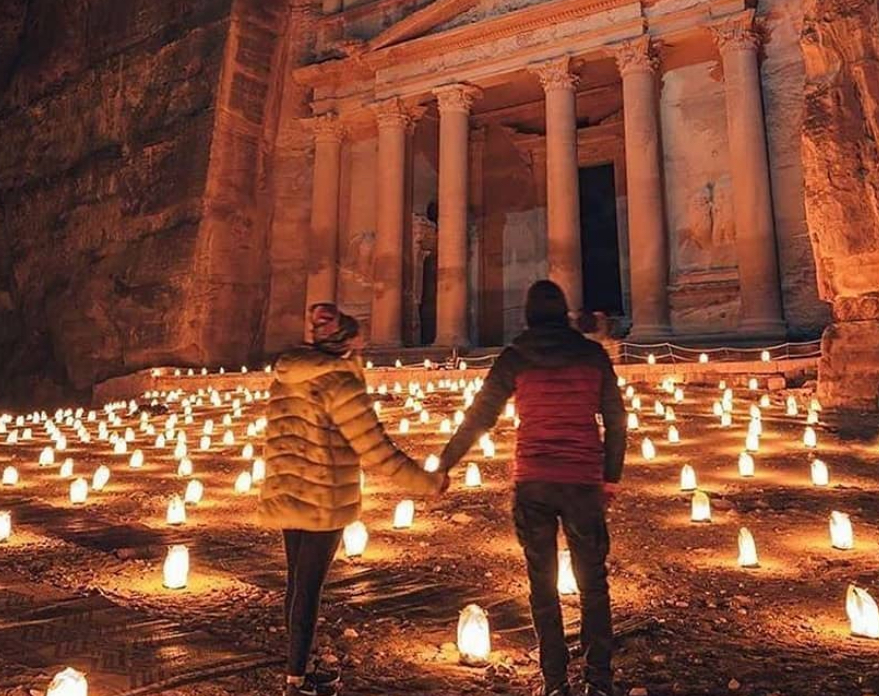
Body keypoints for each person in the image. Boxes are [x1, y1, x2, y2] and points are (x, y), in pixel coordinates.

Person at [437, 280, 626, 696]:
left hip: (534, 481)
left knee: (542, 585)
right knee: (593, 583)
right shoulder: (592, 355)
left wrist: (445, 463)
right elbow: (616, 420)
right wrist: (610, 476)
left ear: (528, 314)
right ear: (563, 314)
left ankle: (555, 681)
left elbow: (480, 416)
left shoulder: (516, 356)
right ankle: (599, 679)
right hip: (582, 481)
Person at [255, 302, 440, 695]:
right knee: (309, 588)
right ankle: (296, 681)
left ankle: (299, 669)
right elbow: (375, 448)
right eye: (360, 345)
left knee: (297, 583)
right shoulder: (340, 380)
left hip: (289, 492)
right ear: (347, 346)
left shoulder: (289, 373)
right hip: (324, 497)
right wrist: (425, 482)